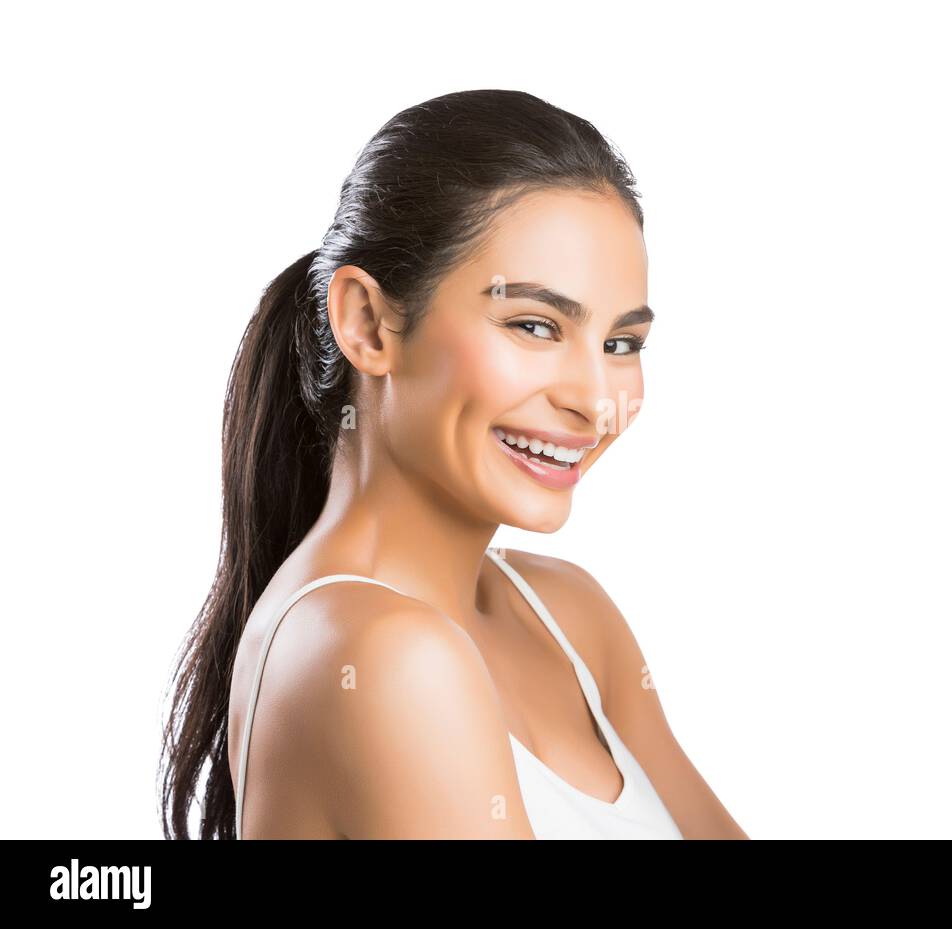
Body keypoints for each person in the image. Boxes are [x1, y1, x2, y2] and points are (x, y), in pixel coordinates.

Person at [159, 89, 747, 840]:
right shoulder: (375, 655)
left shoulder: (568, 614)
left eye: (620, 344)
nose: (598, 401)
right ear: (369, 325)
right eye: (535, 325)